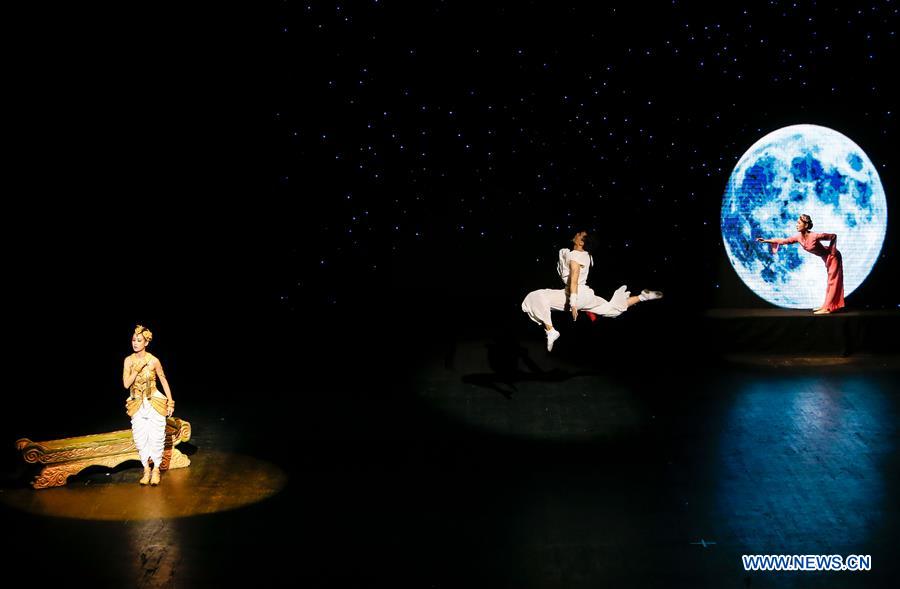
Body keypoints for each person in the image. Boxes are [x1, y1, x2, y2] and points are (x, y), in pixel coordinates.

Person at [521, 230, 663, 351]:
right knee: (611, 309)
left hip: (575, 294)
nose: (576, 234)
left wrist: (574, 302)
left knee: (535, 296)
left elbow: (575, 276)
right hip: (588, 295)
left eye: (579, 235)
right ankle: (643, 297)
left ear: (581, 242)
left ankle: (551, 331)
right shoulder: (587, 255)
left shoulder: (574, 255)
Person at [756, 214, 844, 314]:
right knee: (830, 282)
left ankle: (828, 308)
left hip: (833, 257)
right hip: (826, 257)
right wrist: (766, 241)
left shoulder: (815, 236)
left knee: (832, 282)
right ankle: (826, 305)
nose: (796, 225)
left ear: (806, 225)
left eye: (799, 223)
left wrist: (832, 252)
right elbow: (784, 241)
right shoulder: (799, 237)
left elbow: (833, 236)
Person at [123, 325, 175, 486]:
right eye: (133, 340)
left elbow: (163, 380)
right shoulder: (129, 360)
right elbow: (126, 384)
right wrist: (136, 369)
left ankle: (156, 469)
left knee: (156, 437)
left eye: (139, 340)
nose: (135, 343)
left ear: (146, 342)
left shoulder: (153, 360)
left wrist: (170, 401)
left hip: (154, 401)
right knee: (140, 437)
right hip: (137, 402)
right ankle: (146, 469)